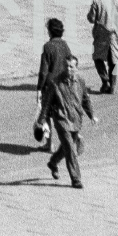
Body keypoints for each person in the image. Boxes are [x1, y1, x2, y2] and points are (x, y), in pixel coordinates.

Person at [45, 55, 97, 188]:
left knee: (66, 147)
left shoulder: (80, 81)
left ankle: (53, 162)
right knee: (70, 149)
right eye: (66, 66)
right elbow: (46, 103)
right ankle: (76, 179)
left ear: (76, 68)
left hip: (75, 118)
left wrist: (91, 115)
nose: (68, 69)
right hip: (61, 118)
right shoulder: (55, 82)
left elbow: (85, 99)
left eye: (71, 66)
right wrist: (41, 121)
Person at [34, 18, 72, 150]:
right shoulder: (65, 45)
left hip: (50, 86)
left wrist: (39, 87)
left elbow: (43, 71)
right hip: (63, 85)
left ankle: (49, 144)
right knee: (61, 113)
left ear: (50, 31)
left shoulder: (48, 47)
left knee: (47, 113)